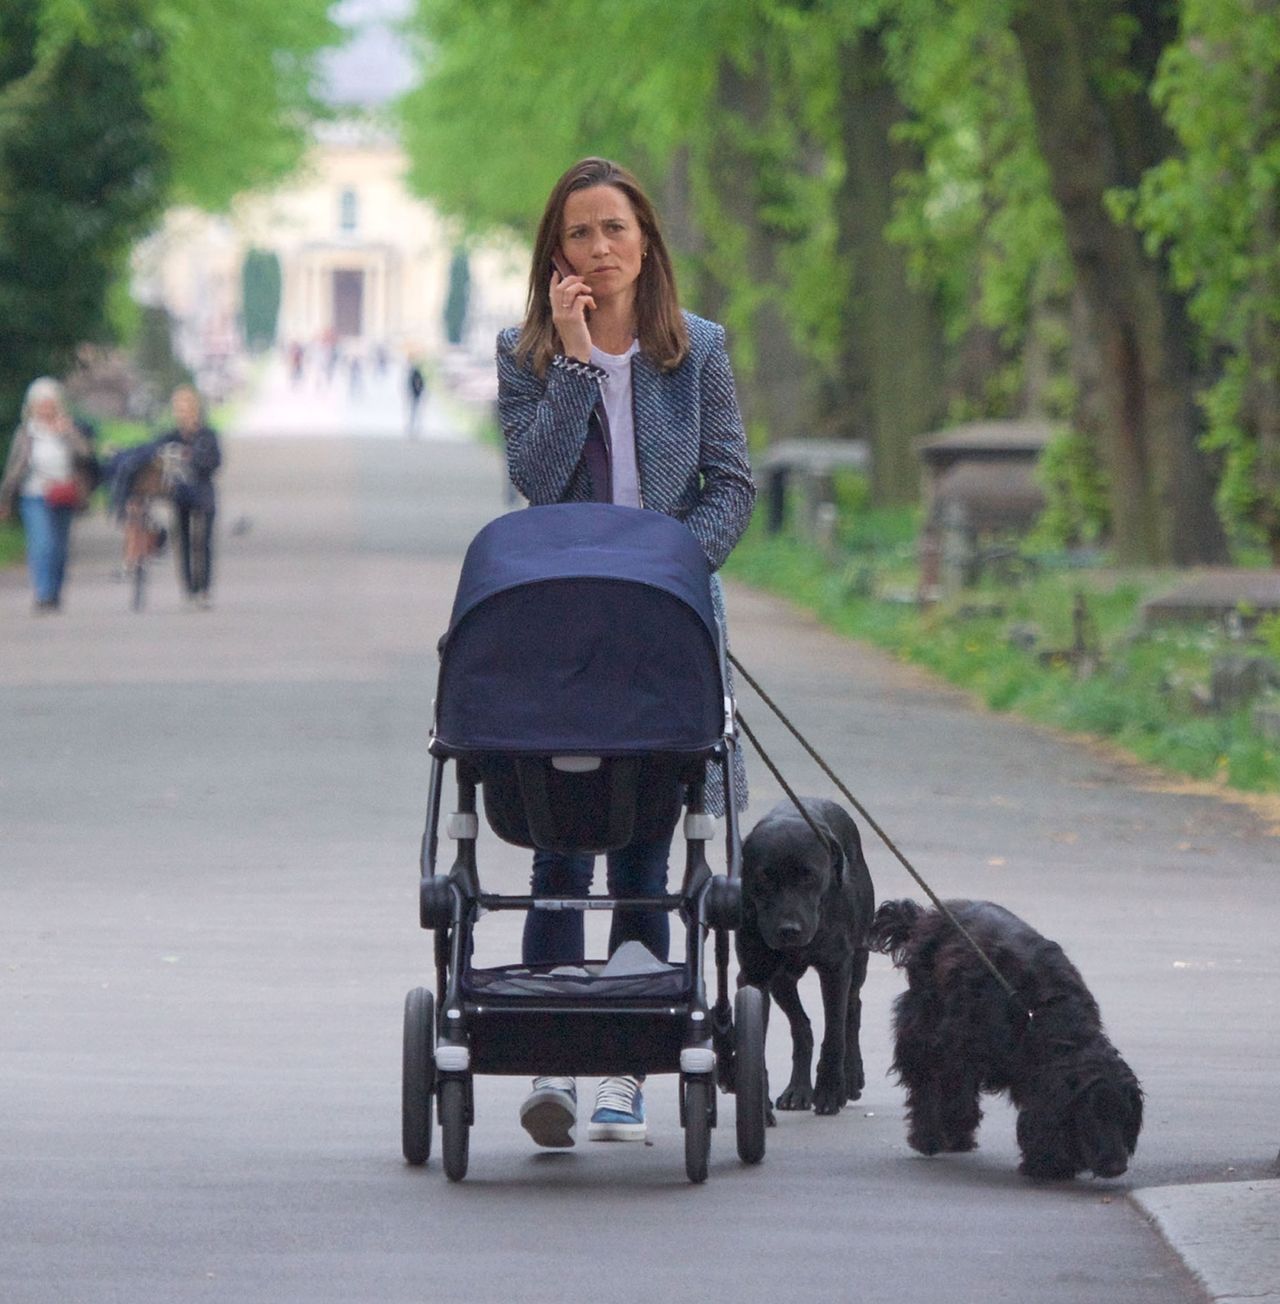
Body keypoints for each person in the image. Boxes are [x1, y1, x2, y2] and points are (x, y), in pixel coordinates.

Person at [497, 157, 755, 1148]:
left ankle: (625, 1065)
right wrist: (568, 362)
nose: (598, 250)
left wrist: (669, 572)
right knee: (561, 838)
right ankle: (549, 1050)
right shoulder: (521, 354)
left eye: (613, 229)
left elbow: (729, 481)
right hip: (562, 627)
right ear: (553, 254)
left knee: (648, 841)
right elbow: (535, 480)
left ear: (644, 238)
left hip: (665, 620)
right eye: (578, 235)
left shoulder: (698, 351)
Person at [0, 377, 95, 613]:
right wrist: (5, 498)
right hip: (34, 494)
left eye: (50, 403)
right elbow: (13, 468)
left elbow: (86, 456)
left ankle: (54, 591)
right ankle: (43, 593)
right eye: (41, 404)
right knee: (42, 544)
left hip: (64, 494)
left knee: (60, 547)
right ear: (32, 406)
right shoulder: (26, 433)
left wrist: (67, 434)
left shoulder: (68, 428)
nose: (45, 408)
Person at [158, 385, 221, 608]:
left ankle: (204, 587)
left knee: (203, 541)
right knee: (182, 540)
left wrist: (193, 459)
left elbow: (215, 462)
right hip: (180, 493)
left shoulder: (207, 435)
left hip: (203, 492)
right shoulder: (171, 436)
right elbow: (157, 456)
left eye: (186, 407)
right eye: (179, 408)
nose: (183, 412)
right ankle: (188, 588)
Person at [406, 362, 426, 437]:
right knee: (414, 412)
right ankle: (414, 427)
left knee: (414, 412)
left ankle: (415, 427)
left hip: (416, 395)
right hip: (416, 395)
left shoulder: (414, 375)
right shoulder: (416, 375)